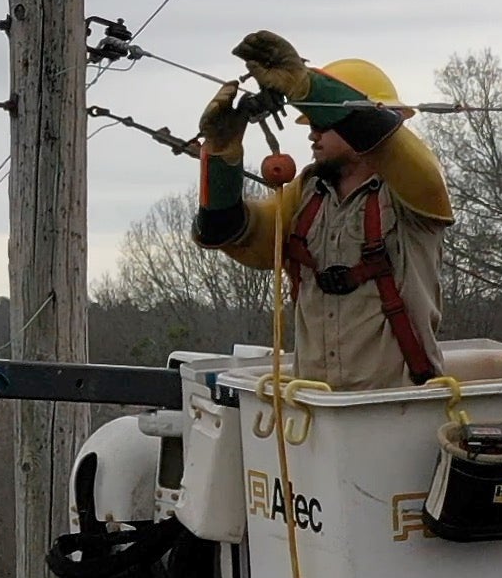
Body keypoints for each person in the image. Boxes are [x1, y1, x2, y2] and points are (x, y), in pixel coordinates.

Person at [190, 29, 454, 387]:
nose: (312, 133)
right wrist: (222, 156)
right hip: (315, 405)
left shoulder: (413, 193)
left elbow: (393, 148)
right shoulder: (308, 193)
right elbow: (233, 233)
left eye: (322, 122)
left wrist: (308, 89)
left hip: (399, 405)